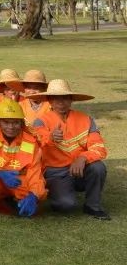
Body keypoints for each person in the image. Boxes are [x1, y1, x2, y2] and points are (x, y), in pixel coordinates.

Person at [31, 80, 110, 220]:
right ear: (49, 100)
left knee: (98, 167)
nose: (61, 102)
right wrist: (51, 137)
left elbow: (99, 147)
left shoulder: (86, 120)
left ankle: (93, 206)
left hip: (80, 168)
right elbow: (38, 140)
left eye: (65, 97)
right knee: (65, 205)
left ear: (71, 99)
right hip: (55, 172)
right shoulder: (40, 121)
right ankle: (55, 193)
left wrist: (83, 158)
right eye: (56, 98)